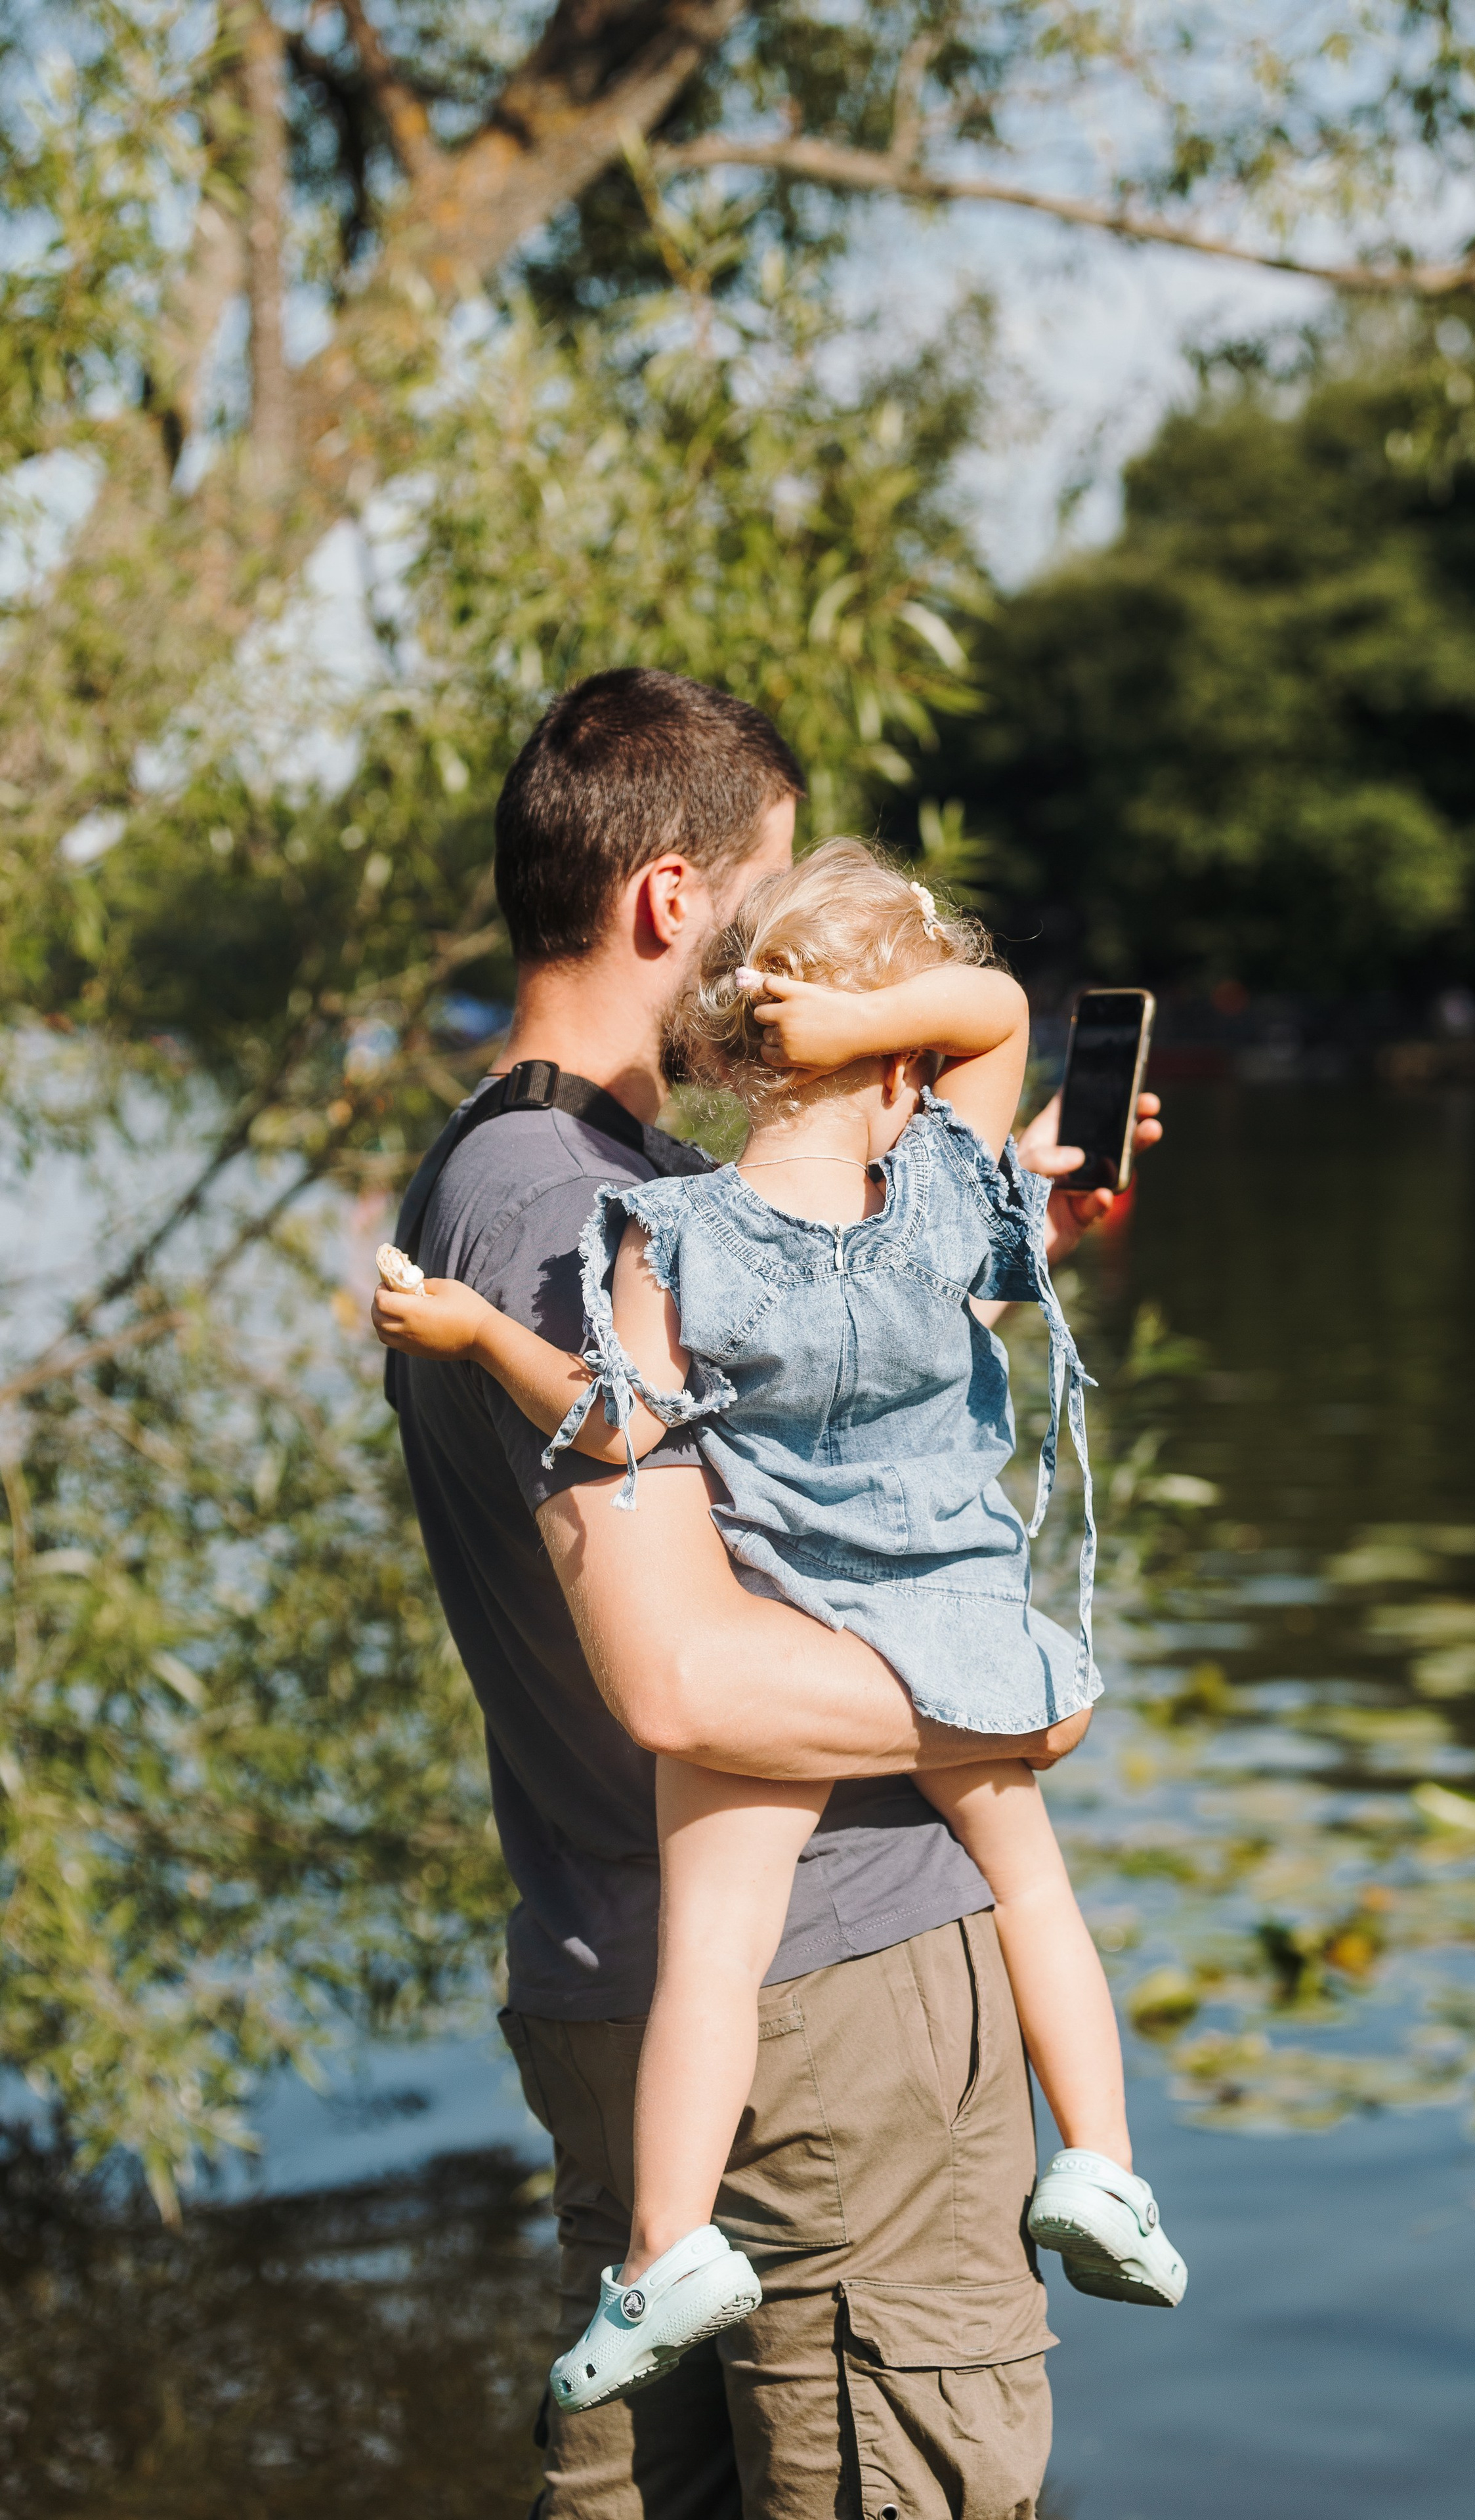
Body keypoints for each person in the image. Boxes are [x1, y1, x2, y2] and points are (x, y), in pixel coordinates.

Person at [379, 667, 1163, 2520]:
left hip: (674, 1991)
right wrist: (1014, 1697)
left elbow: (793, 1437)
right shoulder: (569, 1215)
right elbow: (681, 1677)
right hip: (822, 2014)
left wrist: (975, 1228)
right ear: (673, 905)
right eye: (776, 897)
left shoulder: (595, 1184)